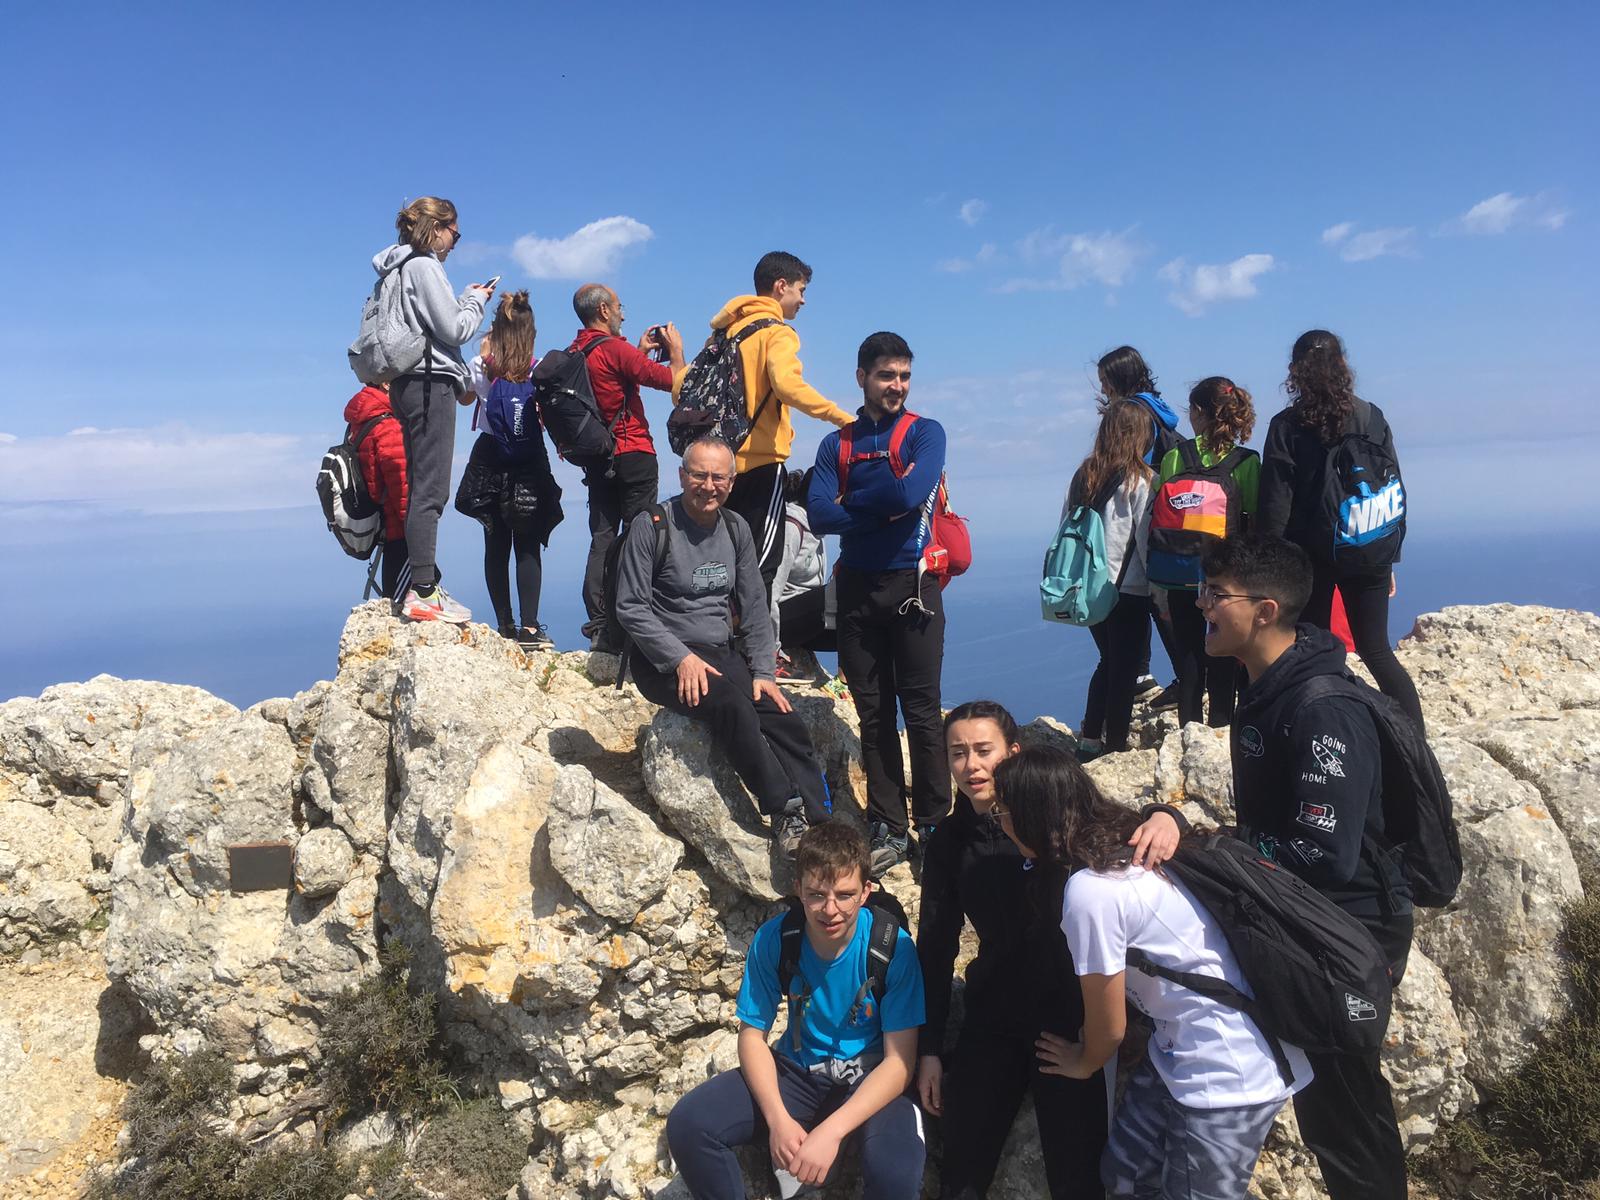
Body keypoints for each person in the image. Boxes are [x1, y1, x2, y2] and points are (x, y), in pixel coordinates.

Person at [993, 745, 1312, 1200]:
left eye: (1003, 812)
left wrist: (1083, 1062)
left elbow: (1109, 1028)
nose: (1001, 823)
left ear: (1030, 813)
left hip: (1229, 1070)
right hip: (1177, 1051)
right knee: (1125, 1174)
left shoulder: (1091, 891)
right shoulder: (1123, 844)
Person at [1199, 533, 1411, 1200]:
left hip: (1348, 934)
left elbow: (1325, 852)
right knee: (1328, 1109)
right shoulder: (1267, 688)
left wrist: (1228, 850)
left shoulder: (1322, 709)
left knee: (1346, 1114)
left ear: (1265, 611)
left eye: (1216, 594)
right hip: (1307, 918)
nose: (1201, 604)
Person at [917, 700, 1187, 1198]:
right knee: (961, 1172)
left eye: (983, 750)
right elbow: (934, 946)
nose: (971, 765)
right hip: (993, 1017)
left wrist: (1166, 815)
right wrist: (928, 1048)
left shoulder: (1049, 818)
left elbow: (1109, 819)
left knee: (1078, 1177)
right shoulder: (949, 843)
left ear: (1013, 753)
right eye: (957, 753)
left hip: (1071, 1018)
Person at [665, 820, 926, 1200]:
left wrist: (831, 1132)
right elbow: (752, 1035)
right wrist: (778, 1121)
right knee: (689, 1124)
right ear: (798, 889)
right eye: (817, 895)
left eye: (845, 895)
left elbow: (899, 1065)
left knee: (895, 1176)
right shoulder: (776, 938)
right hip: (799, 1073)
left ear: (866, 892)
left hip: (871, 1079)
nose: (830, 910)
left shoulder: (891, 947)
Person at [614, 436, 831, 854]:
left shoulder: (735, 528)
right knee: (731, 706)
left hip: (718, 651)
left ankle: (820, 821)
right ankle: (784, 810)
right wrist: (680, 659)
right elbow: (631, 607)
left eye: (718, 477)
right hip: (661, 658)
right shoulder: (653, 525)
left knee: (781, 715)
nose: (708, 485)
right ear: (682, 476)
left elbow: (754, 607)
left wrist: (764, 672)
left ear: (731, 482)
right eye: (699, 475)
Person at [806, 333, 950, 876]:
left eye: (904, 376)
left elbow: (909, 496)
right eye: (887, 375)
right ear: (861, 377)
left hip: (914, 587)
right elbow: (818, 514)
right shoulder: (836, 445)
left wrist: (853, 502)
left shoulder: (925, 433)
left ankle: (934, 825)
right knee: (874, 715)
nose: (897, 386)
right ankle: (888, 824)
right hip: (858, 592)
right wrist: (879, 507)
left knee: (922, 711)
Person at [1258, 330, 1423, 729]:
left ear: (1294, 372)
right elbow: (1391, 483)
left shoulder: (1287, 426)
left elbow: (1275, 504)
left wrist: (1268, 567)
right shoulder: (1371, 416)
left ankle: (1327, 732)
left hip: (1310, 556)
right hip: (1368, 544)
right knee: (1376, 650)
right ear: (1343, 365)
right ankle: (1416, 741)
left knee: (1313, 649)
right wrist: (1386, 554)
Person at [681, 250, 854, 607]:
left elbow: (681, 390)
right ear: (781, 286)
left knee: (720, 559)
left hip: (720, 467)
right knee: (762, 566)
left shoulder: (724, 334)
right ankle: (752, 639)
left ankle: (714, 629)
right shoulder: (778, 333)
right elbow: (787, 386)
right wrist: (843, 418)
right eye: (801, 290)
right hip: (761, 463)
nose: (803, 300)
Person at [370, 196, 494, 623]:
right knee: (431, 489)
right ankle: (423, 590)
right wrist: (474, 300)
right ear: (436, 228)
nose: (455, 243)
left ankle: (422, 584)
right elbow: (455, 329)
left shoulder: (395, 267)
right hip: (430, 384)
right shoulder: (424, 266)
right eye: (454, 234)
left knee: (421, 486)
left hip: (405, 383)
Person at [569, 283, 688, 648]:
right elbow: (673, 383)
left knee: (602, 537)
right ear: (604, 310)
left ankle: (600, 624)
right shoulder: (614, 350)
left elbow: (610, 385)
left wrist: (639, 352)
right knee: (639, 538)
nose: (623, 313)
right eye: (619, 306)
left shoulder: (576, 352)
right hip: (633, 453)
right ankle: (635, 622)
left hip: (597, 458)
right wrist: (676, 351)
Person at [1151, 376, 1259, 728]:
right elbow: (1253, 517)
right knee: (1224, 653)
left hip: (1180, 571)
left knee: (1188, 656)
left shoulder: (1174, 456)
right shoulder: (1246, 462)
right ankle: (1221, 728)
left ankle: (1190, 730)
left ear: (1198, 412)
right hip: (1225, 577)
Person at [455, 291, 561, 649]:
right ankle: (530, 630)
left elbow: (464, 399)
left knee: (495, 542)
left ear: (496, 330)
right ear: (531, 333)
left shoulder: (480, 365)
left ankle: (505, 625)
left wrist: (484, 356)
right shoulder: (540, 368)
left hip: (490, 454)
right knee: (527, 543)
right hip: (530, 457)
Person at [1063, 400, 1153, 763]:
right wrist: (1158, 588)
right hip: (1128, 587)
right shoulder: (1140, 480)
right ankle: (1115, 744)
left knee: (1108, 660)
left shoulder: (1083, 475)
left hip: (1088, 587)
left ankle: (1088, 740)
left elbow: (1066, 525)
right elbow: (1143, 537)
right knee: (1125, 668)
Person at [1097, 345, 1180, 706]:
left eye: (1106, 380)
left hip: (1141, 511)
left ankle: (1143, 675)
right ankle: (1179, 674)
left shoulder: (1130, 414)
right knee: (1159, 598)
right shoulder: (1160, 410)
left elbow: (1129, 466)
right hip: (1168, 510)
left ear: (1120, 378)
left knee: (1141, 596)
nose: (1103, 389)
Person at [343, 382, 411, 600]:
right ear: (386, 383)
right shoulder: (388, 426)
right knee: (408, 601)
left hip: (383, 527)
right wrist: (419, 530)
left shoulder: (360, 422)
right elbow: (402, 489)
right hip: (399, 532)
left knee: (394, 599)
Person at [773, 468, 835, 681]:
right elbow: (769, 591)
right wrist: (769, 649)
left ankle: (850, 679)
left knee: (868, 619)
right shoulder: (791, 526)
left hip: (803, 622)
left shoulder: (817, 529)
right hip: (782, 621)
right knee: (845, 590)